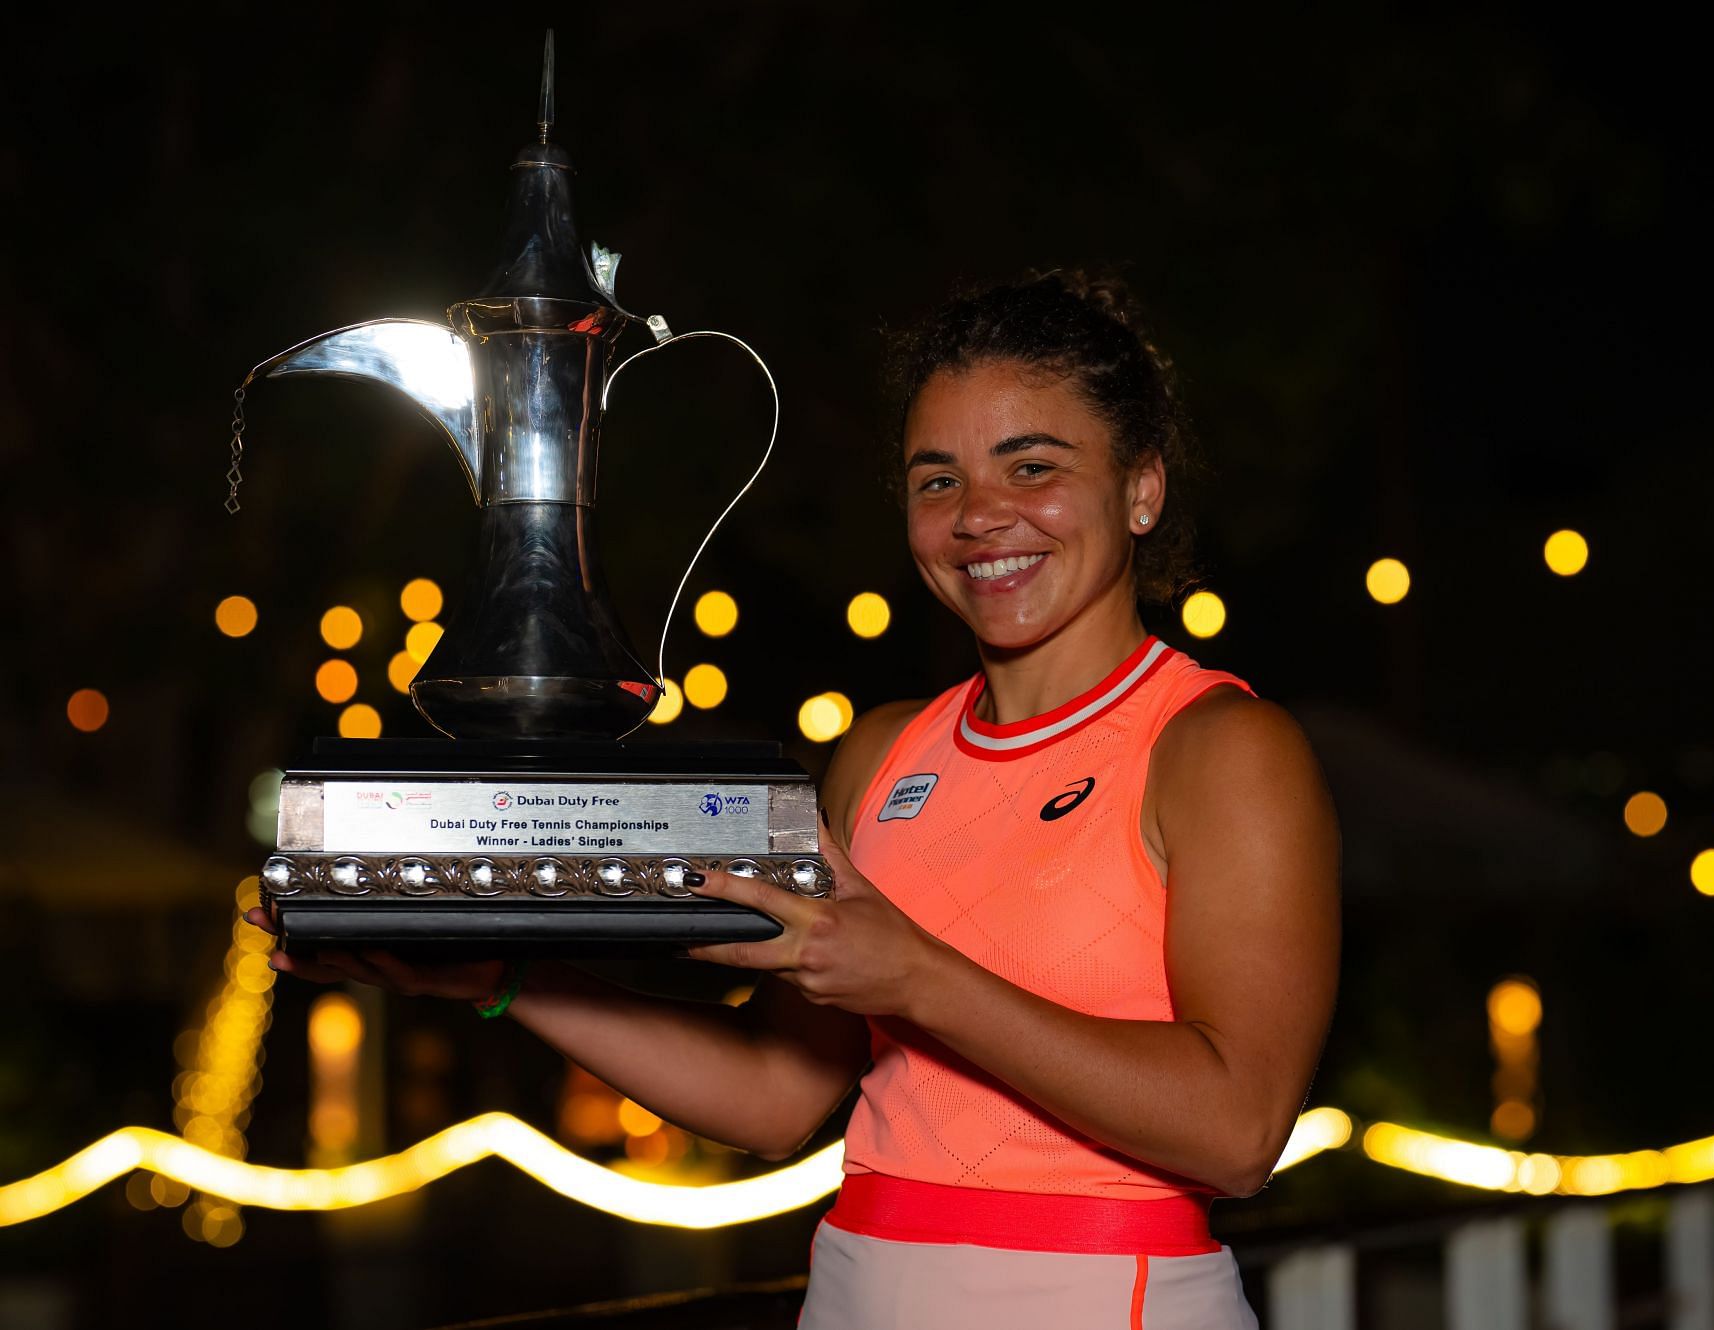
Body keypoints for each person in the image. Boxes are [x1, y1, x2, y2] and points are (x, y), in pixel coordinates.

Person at [248, 270, 1341, 1328]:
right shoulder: (880, 752)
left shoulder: (1222, 748)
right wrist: (505, 973)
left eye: (1032, 466)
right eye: (937, 480)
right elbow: (777, 1094)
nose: (980, 517)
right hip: (860, 1282)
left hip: (1109, 1294)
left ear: (1141, 486)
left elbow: (1238, 1129)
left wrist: (916, 974)